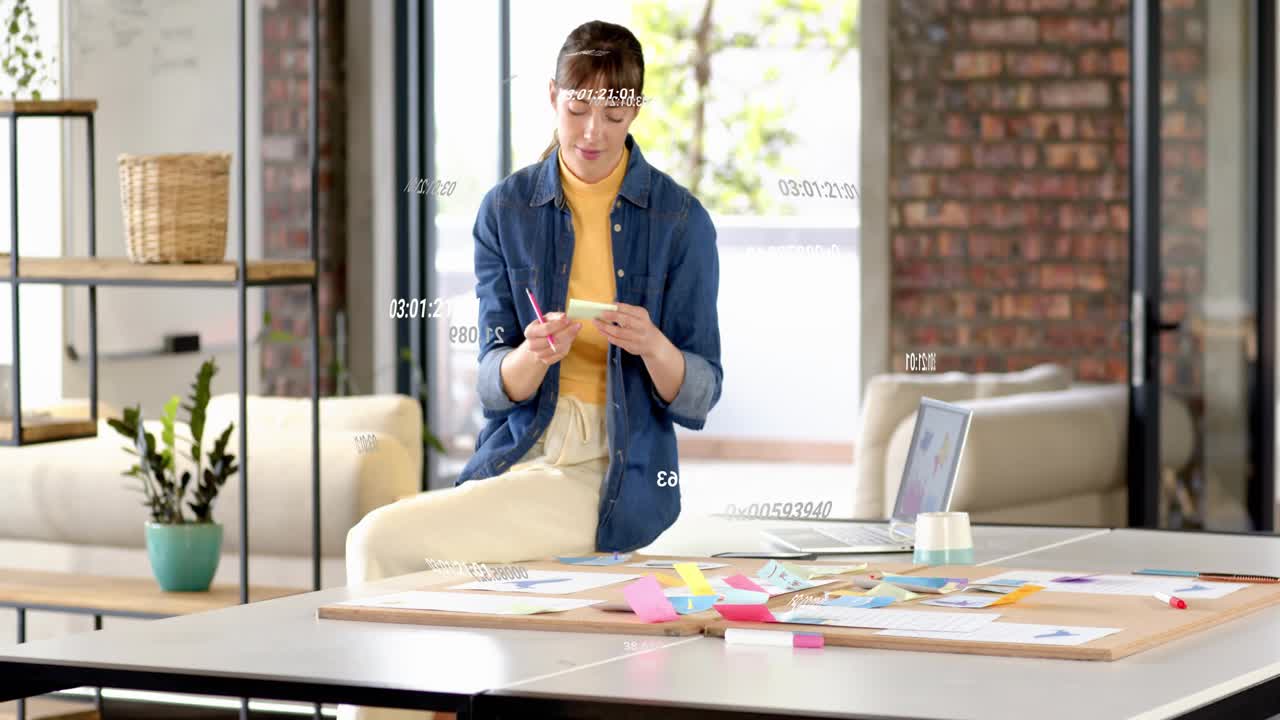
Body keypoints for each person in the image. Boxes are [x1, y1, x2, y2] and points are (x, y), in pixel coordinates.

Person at [341, 20, 721, 718]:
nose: (593, 131)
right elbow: (494, 383)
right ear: (552, 97)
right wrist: (531, 355)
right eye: (578, 108)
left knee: (377, 541)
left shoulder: (680, 221)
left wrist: (653, 345)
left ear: (636, 109)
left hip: (609, 472)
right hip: (518, 453)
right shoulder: (505, 210)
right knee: (426, 577)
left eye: (614, 113)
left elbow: (700, 391)